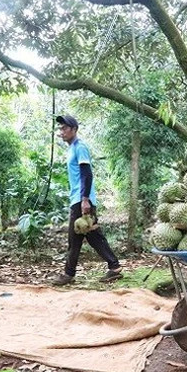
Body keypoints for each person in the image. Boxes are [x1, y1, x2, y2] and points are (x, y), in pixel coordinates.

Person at [51, 114, 122, 286]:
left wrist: (84, 200)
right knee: (92, 236)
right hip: (79, 197)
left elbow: (86, 173)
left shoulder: (80, 147)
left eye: (65, 127)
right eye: (60, 128)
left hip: (82, 199)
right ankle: (114, 266)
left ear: (74, 129)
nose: (62, 131)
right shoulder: (72, 149)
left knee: (75, 237)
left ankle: (69, 274)